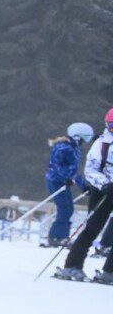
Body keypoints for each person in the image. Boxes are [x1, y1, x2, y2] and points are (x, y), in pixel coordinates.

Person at [55, 111, 113, 283]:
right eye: (111, 126)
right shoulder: (101, 144)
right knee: (92, 228)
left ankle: (109, 271)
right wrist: (104, 184)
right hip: (104, 191)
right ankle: (72, 265)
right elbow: (90, 170)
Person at [44, 123, 92, 246]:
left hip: (62, 181)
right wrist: (66, 177)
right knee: (64, 209)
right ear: (77, 137)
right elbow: (56, 166)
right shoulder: (63, 147)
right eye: (83, 139)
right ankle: (56, 237)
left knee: (68, 209)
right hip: (55, 181)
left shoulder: (73, 148)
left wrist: (83, 187)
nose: (84, 143)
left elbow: (73, 171)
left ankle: (63, 236)